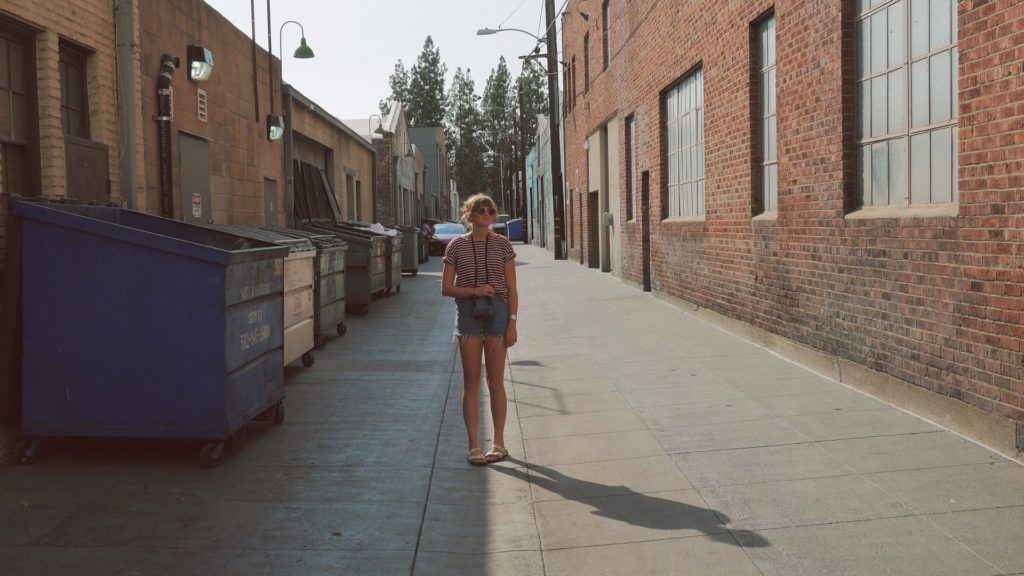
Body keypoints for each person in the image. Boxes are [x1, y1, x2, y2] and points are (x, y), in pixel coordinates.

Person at [441, 193, 518, 466]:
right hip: (468, 313)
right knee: (471, 381)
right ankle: (474, 446)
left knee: (495, 382)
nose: (487, 212)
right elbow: (446, 288)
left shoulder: (503, 245)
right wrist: (474, 289)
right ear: (470, 215)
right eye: (480, 209)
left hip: (498, 312)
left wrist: (512, 321)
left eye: (491, 209)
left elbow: (511, 287)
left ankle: (498, 443)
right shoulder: (455, 246)